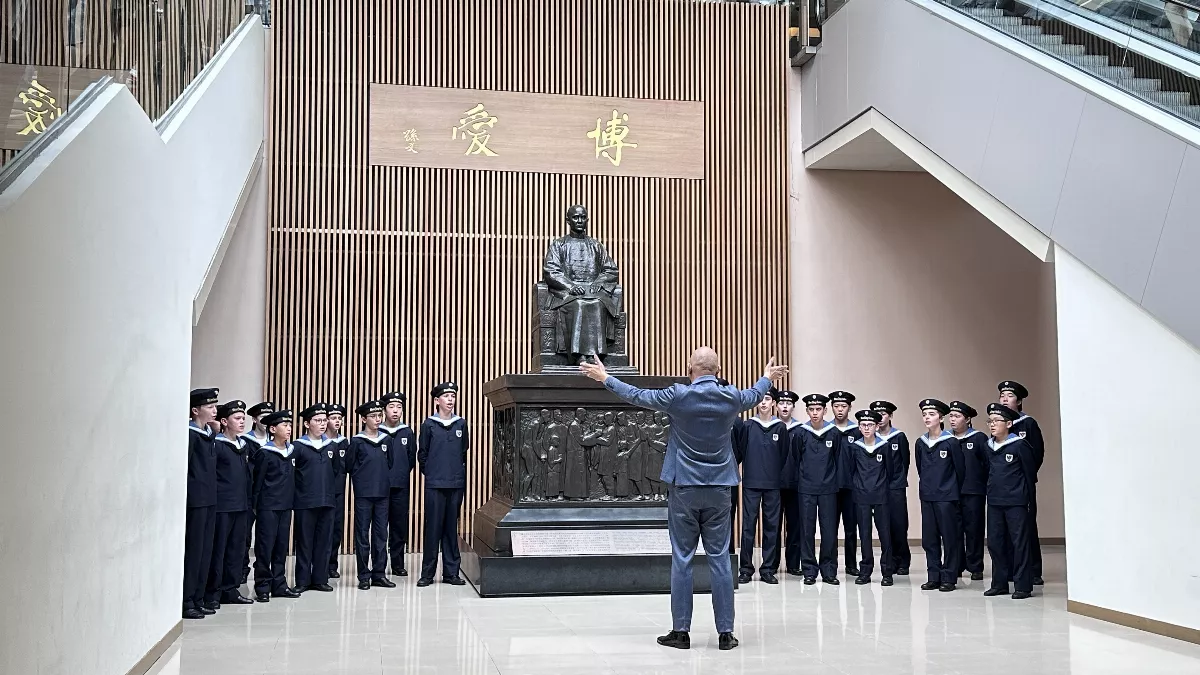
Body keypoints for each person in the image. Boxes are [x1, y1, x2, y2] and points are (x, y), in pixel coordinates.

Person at [583, 348, 788, 651]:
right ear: (718, 370)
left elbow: (638, 396)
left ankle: (680, 632)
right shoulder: (730, 397)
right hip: (720, 489)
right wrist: (767, 377)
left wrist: (605, 377)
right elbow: (754, 395)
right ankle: (725, 633)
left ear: (690, 368)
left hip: (685, 489)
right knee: (719, 560)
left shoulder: (679, 395)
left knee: (682, 558)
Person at [417, 382, 470, 587]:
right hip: (435, 484)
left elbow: (463, 451)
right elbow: (423, 453)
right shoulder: (429, 424)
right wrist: (431, 473)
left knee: (450, 529)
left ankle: (451, 573)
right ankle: (427, 574)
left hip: (455, 484)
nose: (450, 400)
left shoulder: (461, 424)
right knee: (433, 529)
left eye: (453, 396)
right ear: (437, 400)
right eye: (446, 396)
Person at [983, 402, 1037, 600]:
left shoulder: (1019, 445)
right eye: (990, 421)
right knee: (995, 543)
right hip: (995, 501)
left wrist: (1029, 501)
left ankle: (1023, 585)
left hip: (1016, 502)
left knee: (1019, 543)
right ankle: (999, 583)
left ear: (1009, 423)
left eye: (997, 421)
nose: (992, 424)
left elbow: (1029, 475)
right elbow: (985, 472)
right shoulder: (988, 446)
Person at [205, 400, 255, 610]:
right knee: (219, 550)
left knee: (236, 550)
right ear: (224, 421)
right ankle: (213, 593)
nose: (242, 421)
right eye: (237, 418)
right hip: (223, 506)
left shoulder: (243, 445)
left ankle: (230, 589)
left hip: (241, 505)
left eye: (243, 418)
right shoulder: (217, 444)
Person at [734, 389, 785, 585]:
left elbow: (783, 455)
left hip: (773, 484)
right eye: (761, 399)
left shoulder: (779, 428)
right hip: (751, 484)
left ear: (773, 403)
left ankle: (768, 569)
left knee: (772, 527)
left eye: (768, 399)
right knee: (748, 526)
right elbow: (741, 451)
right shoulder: (747, 426)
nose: (764, 403)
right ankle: (746, 568)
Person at [914, 399, 965, 592]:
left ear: (941, 418)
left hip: (947, 497)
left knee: (950, 537)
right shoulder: (921, 443)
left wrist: (950, 489)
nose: (927, 417)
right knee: (930, 539)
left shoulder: (951, 442)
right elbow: (921, 468)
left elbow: (960, 470)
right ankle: (933, 576)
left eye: (932, 414)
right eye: (925, 414)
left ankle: (949, 577)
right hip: (928, 496)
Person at [998, 380, 1044, 585]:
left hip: (1023, 485)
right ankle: (1010, 571)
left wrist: (1025, 477)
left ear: (1020, 400)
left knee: (1026, 527)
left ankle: (1033, 571)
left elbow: (1038, 454)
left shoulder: (1028, 424)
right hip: (1003, 487)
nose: (1005, 399)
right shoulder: (998, 424)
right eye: (1002, 396)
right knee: (1006, 530)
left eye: (1010, 396)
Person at [252, 409, 300, 602]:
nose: (288, 428)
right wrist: (256, 507)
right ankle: (262, 585)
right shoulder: (265, 453)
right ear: (273, 429)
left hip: (285, 506)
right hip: (268, 507)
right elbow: (258, 482)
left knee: (281, 547)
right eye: (284, 425)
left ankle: (279, 584)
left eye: (289, 425)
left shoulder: (292, 451)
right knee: (265, 547)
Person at [348, 400, 396, 590]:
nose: (377, 420)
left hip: (382, 493)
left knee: (380, 535)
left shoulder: (386, 440)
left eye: (379, 416)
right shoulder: (357, 441)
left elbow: (390, 463)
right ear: (363, 419)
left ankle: (379, 574)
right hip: (363, 494)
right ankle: (363, 575)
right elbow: (350, 466)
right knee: (362, 535)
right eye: (373, 416)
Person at [795, 394, 841, 585]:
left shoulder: (834, 433)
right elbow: (796, 459)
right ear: (807, 411)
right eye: (811, 410)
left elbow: (837, 460)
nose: (815, 413)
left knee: (829, 530)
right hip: (806, 488)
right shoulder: (801, 433)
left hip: (828, 489)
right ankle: (809, 571)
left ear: (825, 411)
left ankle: (829, 571)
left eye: (818, 409)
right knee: (807, 530)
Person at [183, 388, 220, 620]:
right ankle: (187, 601)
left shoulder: (209, 433)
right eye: (209, 406)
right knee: (194, 551)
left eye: (215, 406)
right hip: (196, 500)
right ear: (196, 410)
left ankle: (198, 597)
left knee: (206, 551)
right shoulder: (190, 434)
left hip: (210, 500)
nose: (214, 410)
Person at [292, 403, 336, 593]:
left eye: (324, 420)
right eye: (318, 421)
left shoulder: (331, 445)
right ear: (307, 424)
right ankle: (302, 580)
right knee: (304, 542)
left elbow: (337, 471)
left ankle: (320, 578)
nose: (322, 424)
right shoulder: (298, 447)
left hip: (327, 500)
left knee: (324, 542)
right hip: (305, 501)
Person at [848, 409, 894, 586]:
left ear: (876, 426)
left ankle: (887, 572)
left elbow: (889, 471)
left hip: (881, 495)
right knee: (865, 535)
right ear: (859, 427)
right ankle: (865, 571)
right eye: (863, 425)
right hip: (861, 496)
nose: (866, 428)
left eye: (870, 425)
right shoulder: (855, 447)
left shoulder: (885, 446)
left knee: (884, 534)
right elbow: (852, 470)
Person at [948, 401, 988, 581]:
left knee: (974, 529)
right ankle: (955, 565)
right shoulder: (946, 439)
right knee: (953, 530)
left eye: (957, 416)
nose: (952, 420)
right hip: (950, 492)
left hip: (973, 491)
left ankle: (975, 566)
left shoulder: (979, 438)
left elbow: (988, 464)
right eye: (951, 416)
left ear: (968, 419)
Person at [379, 391, 417, 577]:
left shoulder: (407, 432)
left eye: (399, 407)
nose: (395, 411)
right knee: (379, 527)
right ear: (384, 410)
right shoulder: (377, 432)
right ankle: (378, 566)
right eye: (392, 407)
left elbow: (411, 459)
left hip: (401, 486)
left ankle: (397, 564)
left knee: (399, 526)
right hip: (380, 487)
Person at [872, 400, 910, 575]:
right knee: (884, 526)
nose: (880, 418)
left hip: (895, 487)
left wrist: (898, 481)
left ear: (890, 416)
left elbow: (905, 461)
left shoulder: (899, 436)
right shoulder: (873, 438)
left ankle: (903, 561)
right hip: (879, 488)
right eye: (877, 414)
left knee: (899, 524)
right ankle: (890, 561)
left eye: (884, 414)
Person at [240, 401, 274, 585]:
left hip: (268, 496)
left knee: (265, 537)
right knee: (244, 535)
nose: (267, 421)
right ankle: (242, 569)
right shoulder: (245, 441)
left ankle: (263, 572)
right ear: (254, 419)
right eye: (263, 417)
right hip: (248, 493)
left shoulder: (276, 442)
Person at [829, 390, 860, 576]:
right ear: (831, 407)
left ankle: (851, 564)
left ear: (849, 407)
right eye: (836, 406)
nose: (840, 409)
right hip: (831, 488)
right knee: (830, 528)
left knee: (851, 528)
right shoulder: (826, 431)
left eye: (843, 406)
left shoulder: (856, 431)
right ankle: (830, 565)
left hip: (851, 488)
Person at [774, 390, 804, 575]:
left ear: (793, 407)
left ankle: (793, 564)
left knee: (795, 526)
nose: (785, 406)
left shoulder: (801, 430)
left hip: (796, 484)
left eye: (788, 403)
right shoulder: (771, 427)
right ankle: (772, 564)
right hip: (774, 485)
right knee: (773, 526)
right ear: (776, 406)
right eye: (781, 403)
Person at [326, 404, 350, 579]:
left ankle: (332, 564)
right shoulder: (320, 443)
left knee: (335, 529)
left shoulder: (344, 442)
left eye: (339, 419)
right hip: (321, 491)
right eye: (333, 418)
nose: (337, 421)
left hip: (339, 491)